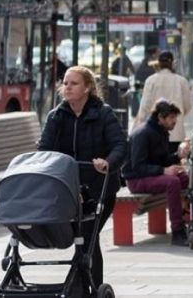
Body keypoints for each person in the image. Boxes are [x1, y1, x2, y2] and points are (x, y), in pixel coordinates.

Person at [37, 66, 126, 287]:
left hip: (98, 190)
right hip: (68, 191)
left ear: (87, 88)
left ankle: (86, 286)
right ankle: (86, 286)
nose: (67, 87)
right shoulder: (56, 116)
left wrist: (108, 163)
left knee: (87, 237)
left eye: (73, 83)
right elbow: (44, 149)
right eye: (65, 83)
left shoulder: (103, 114)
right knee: (82, 240)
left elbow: (120, 146)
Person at [121, 99, 191, 245]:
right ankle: (177, 231)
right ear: (160, 117)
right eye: (171, 117)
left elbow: (162, 160)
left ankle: (191, 220)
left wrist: (178, 156)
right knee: (172, 182)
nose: (175, 121)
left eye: (175, 117)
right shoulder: (143, 133)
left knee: (187, 178)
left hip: (151, 176)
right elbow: (137, 167)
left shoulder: (161, 132)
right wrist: (164, 170)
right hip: (136, 180)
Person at [134, 51, 192, 154]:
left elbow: (144, 107)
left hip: (154, 133)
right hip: (176, 133)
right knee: (174, 164)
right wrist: (176, 117)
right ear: (173, 63)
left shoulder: (150, 80)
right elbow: (187, 106)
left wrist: (141, 123)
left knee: (156, 165)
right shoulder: (182, 81)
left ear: (159, 63)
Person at [132, 47, 159, 116]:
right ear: (154, 54)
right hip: (145, 85)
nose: (159, 54)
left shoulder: (145, 60)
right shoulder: (152, 62)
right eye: (158, 52)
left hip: (142, 84)